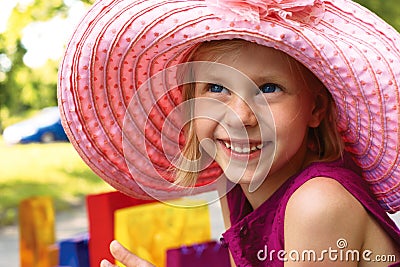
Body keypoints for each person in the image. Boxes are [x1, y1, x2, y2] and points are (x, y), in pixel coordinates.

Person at [58, 0, 400, 266]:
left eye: (269, 88)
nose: (240, 117)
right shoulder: (234, 188)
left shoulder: (318, 204)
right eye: (217, 88)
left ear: (316, 110)